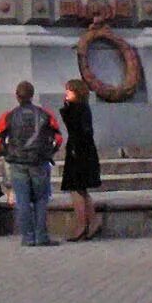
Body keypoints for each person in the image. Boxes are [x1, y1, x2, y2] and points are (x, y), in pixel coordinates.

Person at [0, 80, 64, 247]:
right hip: (39, 161)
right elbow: (58, 138)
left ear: (17, 96)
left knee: (23, 201)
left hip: (17, 162)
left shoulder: (8, 116)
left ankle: (28, 237)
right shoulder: (45, 114)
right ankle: (42, 236)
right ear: (32, 95)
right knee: (41, 199)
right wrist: (49, 152)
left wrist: (7, 152)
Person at [60, 79, 103, 242]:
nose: (66, 94)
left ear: (76, 92)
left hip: (78, 152)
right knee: (82, 189)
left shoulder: (78, 109)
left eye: (69, 91)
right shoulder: (80, 108)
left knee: (76, 189)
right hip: (83, 151)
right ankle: (92, 222)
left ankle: (81, 225)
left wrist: (67, 108)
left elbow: (77, 130)